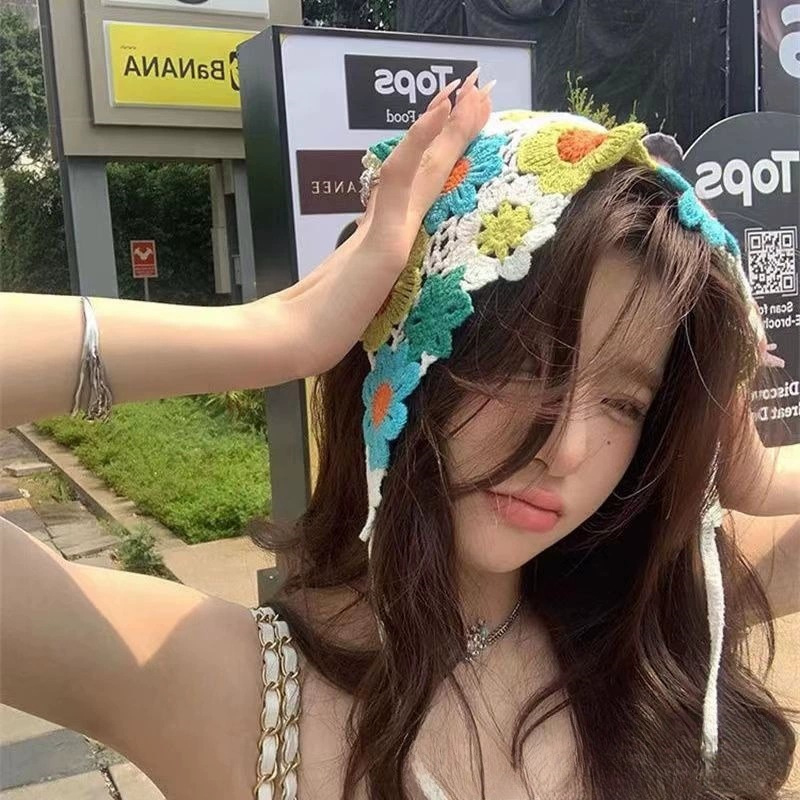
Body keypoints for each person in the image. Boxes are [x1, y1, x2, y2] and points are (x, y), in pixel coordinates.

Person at [0, 74, 798, 800]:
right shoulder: (235, 688)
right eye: (523, 365)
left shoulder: (651, 626)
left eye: (624, 403)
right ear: (415, 356)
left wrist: (759, 477)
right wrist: (280, 332)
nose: (567, 450)